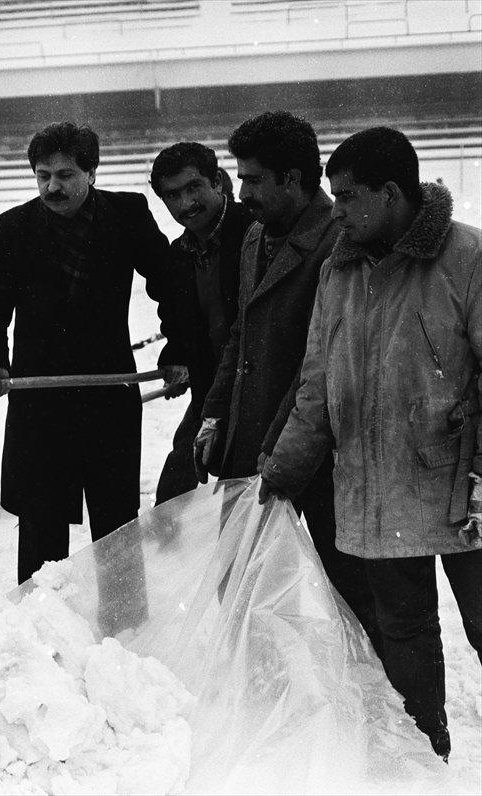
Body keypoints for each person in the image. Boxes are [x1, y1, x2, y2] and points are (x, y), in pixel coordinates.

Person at [260, 127, 481, 759]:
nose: (338, 211)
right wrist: (285, 468)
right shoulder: (340, 272)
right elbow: (317, 386)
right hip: (376, 494)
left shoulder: (467, 258)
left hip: (465, 495)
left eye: (349, 197)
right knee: (404, 635)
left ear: (391, 194)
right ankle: (425, 757)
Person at [0, 121, 189, 585]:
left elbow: (171, 284)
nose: (53, 185)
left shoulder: (127, 213)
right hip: (38, 401)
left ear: (92, 171)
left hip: (108, 396)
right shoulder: (14, 228)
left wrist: (178, 345)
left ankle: (126, 629)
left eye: (65, 174)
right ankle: (40, 626)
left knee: (117, 525)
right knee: (41, 526)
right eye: (42, 174)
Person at [194, 111, 379, 648]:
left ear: (293, 179)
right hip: (250, 442)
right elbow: (241, 337)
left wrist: (280, 450)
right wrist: (214, 416)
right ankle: (259, 694)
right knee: (244, 586)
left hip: (322, 453)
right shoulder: (256, 236)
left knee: (346, 591)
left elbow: (319, 365)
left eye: (252, 178)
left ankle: (372, 711)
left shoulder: (341, 242)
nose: (240, 189)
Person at [150, 143, 250, 504]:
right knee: (172, 494)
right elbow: (175, 317)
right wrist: (175, 356)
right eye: (173, 195)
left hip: (261, 392)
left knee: (243, 505)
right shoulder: (178, 256)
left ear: (219, 184)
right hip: (211, 392)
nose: (185, 203)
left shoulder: (253, 232)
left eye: (194, 187)